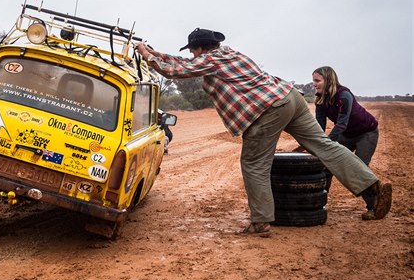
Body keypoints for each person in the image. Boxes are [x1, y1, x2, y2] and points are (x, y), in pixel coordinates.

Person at [134, 28, 392, 235]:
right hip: (291, 98)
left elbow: (175, 70)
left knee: (254, 164)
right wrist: (154, 51)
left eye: (192, 51)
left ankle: (260, 222)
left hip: (269, 109)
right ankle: (372, 188)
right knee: (325, 147)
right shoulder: (229, 54)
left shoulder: (210, 61)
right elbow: (181, 62)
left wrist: (147, 55)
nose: (191, 56)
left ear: (200, 48)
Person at [312, 66, 380, 219]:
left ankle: (374, 207)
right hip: (347, 135)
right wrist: (316, 142)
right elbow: (319, 126)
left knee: (358, 168)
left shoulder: (344, 95)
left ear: (328, 80)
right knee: (327, 165)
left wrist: (326, 144)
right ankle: (317, 204)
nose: (314, 84)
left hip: (366, 133)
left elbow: (341, 124)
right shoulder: (320, 99)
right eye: (313, 81)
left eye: (317, 80)